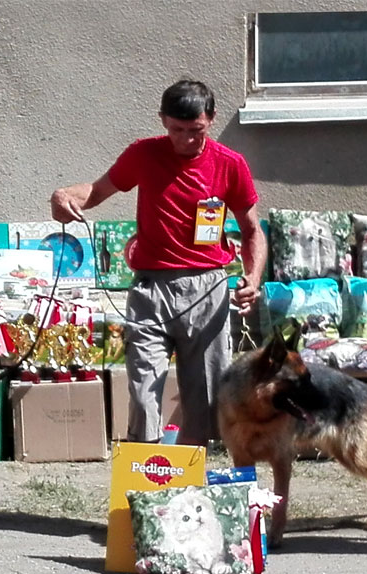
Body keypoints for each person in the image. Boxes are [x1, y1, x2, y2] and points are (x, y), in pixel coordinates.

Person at [50, 80, 267, 446]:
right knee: (143, 388)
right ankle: (146, 475)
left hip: (208, 288)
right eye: (177, 130)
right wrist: (64, 196)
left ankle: (189, 484)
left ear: (210, 120)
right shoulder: (143, 154)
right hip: (152, 289)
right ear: (163, 121)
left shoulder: (230, 165)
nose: (186, 140)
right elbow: (97, 191)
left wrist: (252, 277)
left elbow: (252, 230)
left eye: (195, 131)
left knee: (206, 399)